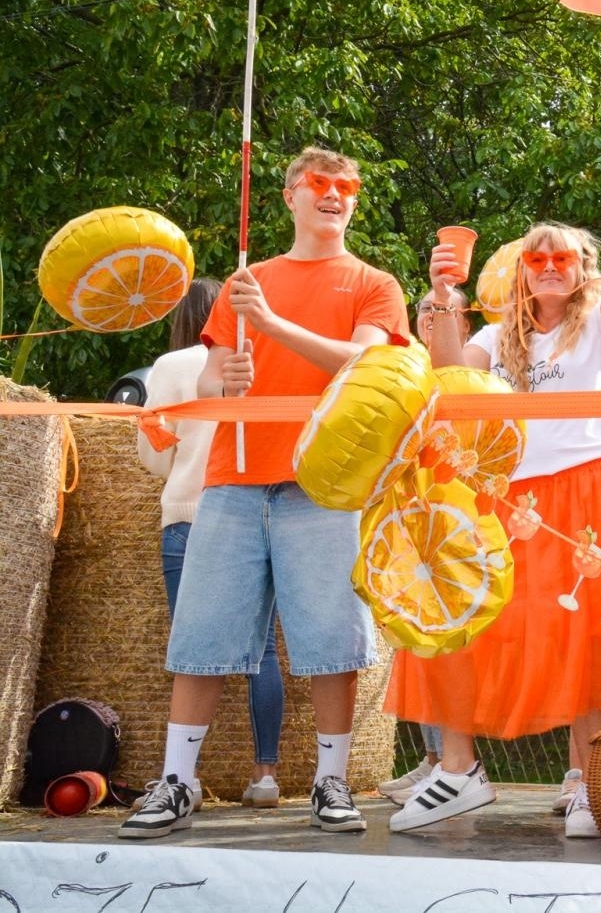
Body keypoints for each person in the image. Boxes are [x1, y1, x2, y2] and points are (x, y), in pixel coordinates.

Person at [388, 116, 601, 837]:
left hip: (593, 487)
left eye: (562, 258)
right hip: (511, 500)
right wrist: (440, 296)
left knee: (588, 637)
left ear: (582, 269)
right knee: (474, 621)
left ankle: (588, 781)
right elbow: (452, 378)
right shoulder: (499, 335)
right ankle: (459, 771)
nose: (549, 266)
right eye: (535, 259)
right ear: (521, 271)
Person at [120, 146, 410, 840]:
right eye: (320, 183)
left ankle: (330, 779)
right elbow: (211, 383)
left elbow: (367, 361)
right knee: (202, 635)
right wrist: (228, 382)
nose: (335, 194)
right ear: (289, 195)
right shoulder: (246, 283)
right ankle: (177, 780)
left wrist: (275, 327)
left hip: (323, 484)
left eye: (347, 185)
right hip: (234, 482)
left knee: (333, 638)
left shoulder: (374, 282)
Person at [135, 277, 287, 810]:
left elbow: (153, 456)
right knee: (262, 651)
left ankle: (183, 780)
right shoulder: (251, 354)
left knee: (193, 654)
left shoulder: (169, 368)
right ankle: (265, 773)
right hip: (249, 511)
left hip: (186, 516)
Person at [379, 287, 470, 808]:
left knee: (445, 639)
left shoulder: (471, 361)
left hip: (457, 516)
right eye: (427, 312)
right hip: (409, 510)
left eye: (446, 311)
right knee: (415, 637)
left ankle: (449, 763)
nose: (434, 320)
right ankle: (434, 759)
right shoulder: (403, 361)